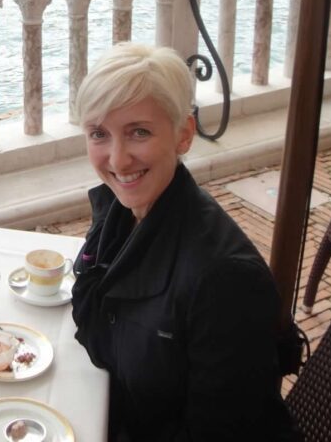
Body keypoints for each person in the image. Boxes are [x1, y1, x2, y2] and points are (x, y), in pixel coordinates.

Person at [70, 43, 298, 441]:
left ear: (184, 135)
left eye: (139, 132)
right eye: (99, 134)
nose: (118, 160)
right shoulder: (122, 215)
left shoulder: (224, 283)